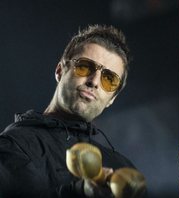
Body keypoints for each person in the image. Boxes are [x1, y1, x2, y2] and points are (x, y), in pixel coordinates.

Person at [0, 25, 145, 197]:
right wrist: (78, 192)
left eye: (109, 79)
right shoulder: (15, 144)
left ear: (112, 98)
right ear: (60, 71)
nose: (94, 82)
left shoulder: (122, 167)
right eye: (84, 67)